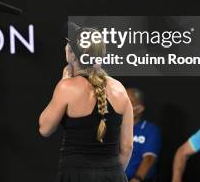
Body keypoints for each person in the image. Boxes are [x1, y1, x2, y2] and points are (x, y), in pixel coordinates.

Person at [39, 23, 133, 181]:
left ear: (72, 55)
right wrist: (110, 174)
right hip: (113, 175)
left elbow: (44, 129)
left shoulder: (66, 87)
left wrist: (63, 81)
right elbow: (127, 147)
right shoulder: (120, 89)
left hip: (76, 176)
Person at [125, 88, 161, 182]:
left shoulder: (150, 130)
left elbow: (149, 158)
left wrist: (137, 178)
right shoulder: (113, 128)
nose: (124, 105)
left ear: (139, 109)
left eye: (129, 102)